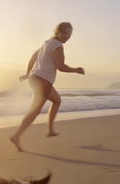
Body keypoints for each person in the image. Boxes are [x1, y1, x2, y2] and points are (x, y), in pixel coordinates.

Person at [10, 22, 85, 151]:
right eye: (66, 33)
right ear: (58, 32)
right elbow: (61, 67)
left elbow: (34, 57)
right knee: (34, 111)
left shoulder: (47, 43)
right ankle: (16, 136)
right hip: (43, 81)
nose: (67, 36)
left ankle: (49, 130)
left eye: (70, 34)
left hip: (36, 78)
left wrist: (28, 73)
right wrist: (76, 70)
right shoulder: (58, 45)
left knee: (57, 100)